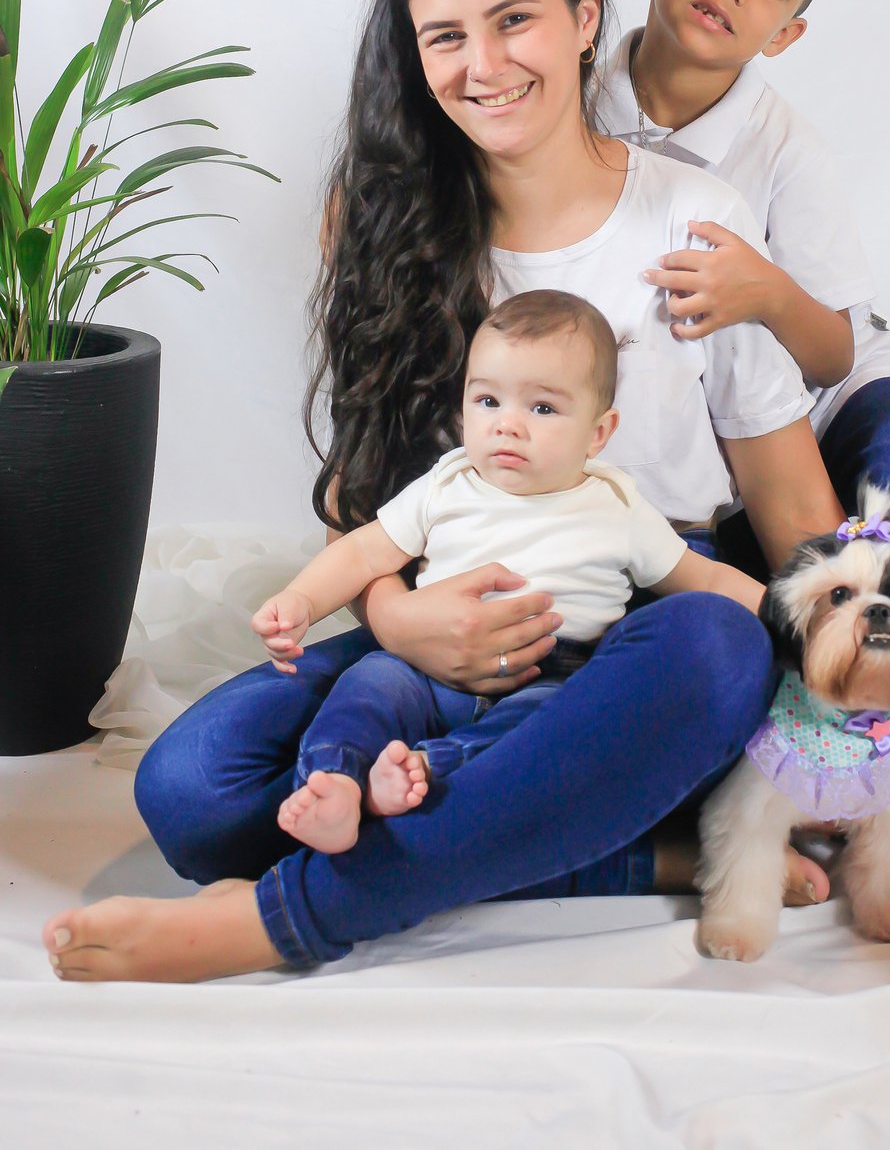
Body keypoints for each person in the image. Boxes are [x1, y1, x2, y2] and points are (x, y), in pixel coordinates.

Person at [43, 0, 843, 983]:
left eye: (515, 19)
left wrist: (839, 696)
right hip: (441, 624)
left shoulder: (694, 220)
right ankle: (621, 849)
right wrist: (400, 617)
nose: (486, 64)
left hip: (641, 630)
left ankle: (280, 920)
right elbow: (363, 498)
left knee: (718, 647)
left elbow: (788, 494)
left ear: (585, 18)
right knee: (191, 792)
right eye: (446, 36)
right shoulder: (384, 222)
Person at [595, 0, 890, 782]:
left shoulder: (784, 148)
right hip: (717, 413)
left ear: (787, 32)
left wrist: (765, 290)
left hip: (838, 388)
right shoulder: (571, 98)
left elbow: (834, 350)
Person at [253, 289, 765, 856]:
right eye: (488, 401)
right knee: (369, 683)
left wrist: (792, 613)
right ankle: (335, 784)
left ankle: (430, 768)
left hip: (549, 675)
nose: (507, 425)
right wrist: (301, 600)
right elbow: (362, 554)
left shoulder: (617, 507)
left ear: (598, 432)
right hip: (426, 669)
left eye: (542, 408)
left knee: (552, 726)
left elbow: (707, 580)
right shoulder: (446, 484)